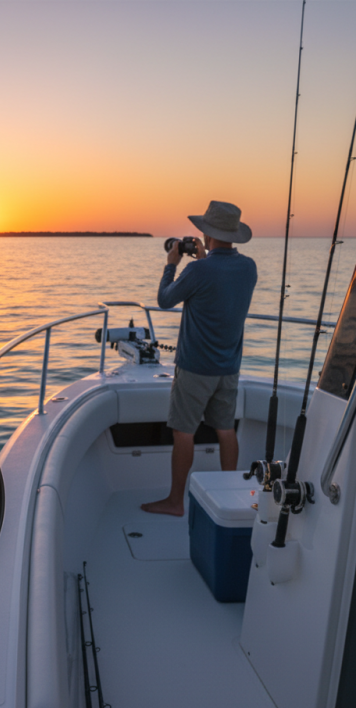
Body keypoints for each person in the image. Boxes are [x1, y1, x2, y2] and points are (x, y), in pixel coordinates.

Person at [142, 200, 257, 516]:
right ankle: (230, 497)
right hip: (229, 368)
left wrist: (172, 263)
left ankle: (175, 501)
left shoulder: (197, 269)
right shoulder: (249, 268)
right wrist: (205, 258)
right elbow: (220, 284)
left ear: (206, 233)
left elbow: (165, 300)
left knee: (184, 432)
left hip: (195, 369)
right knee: (225, 430)